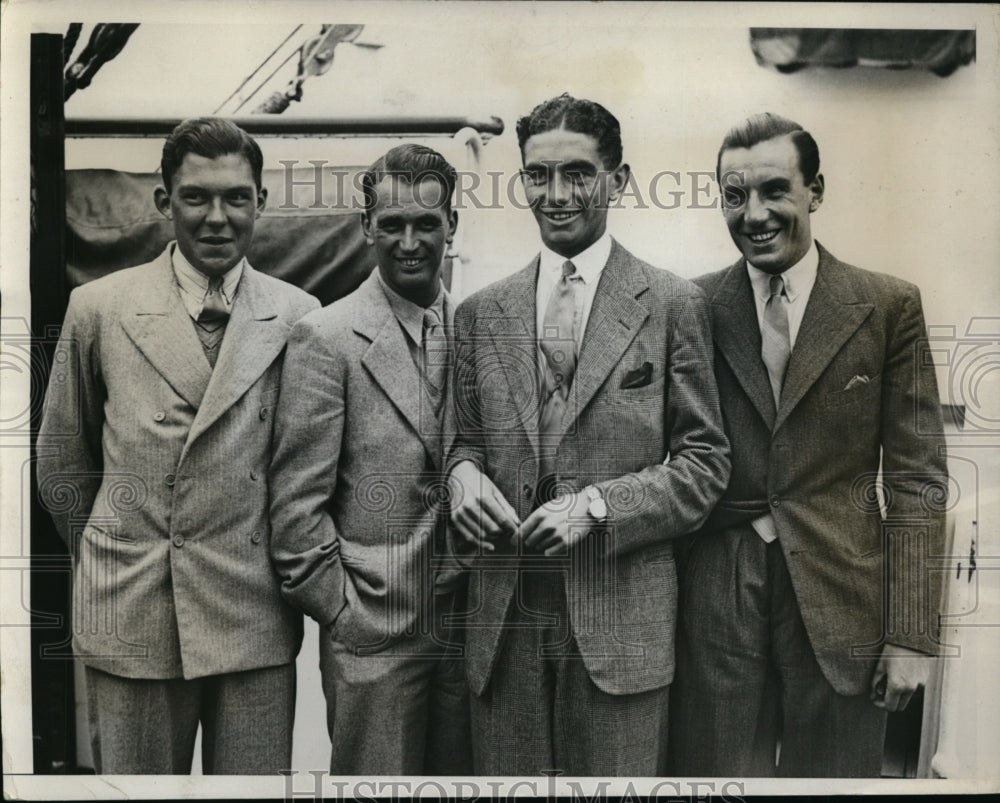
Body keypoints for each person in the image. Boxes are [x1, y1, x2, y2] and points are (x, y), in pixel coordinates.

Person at [445, 93, 730, 776]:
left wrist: (597, 507)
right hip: (504, 629)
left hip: (622, 629)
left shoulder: (671, 303)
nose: (557, 193)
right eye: (538, 176)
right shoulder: (480, 312)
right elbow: (465, 444)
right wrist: (460, 477)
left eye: (578, 173)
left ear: (618, 179)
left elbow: (704, 465)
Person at [36, 117, 319, 774]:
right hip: (133, 613)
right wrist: (121, 552)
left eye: (235, 197)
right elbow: (61, 465)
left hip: (252, 615)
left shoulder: (301, 315)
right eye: (195, 197)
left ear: (260, 202)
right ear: (164, 202)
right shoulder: (98, 308)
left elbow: (309, 470)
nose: (216, 217)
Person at [671, 112, 948, 777]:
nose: (753, 213)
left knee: (835, 786)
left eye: (774, 191)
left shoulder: (887, 307)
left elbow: (917, 480)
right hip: (718, 598)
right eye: (734, 196)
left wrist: (909, 636)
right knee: (716, 781)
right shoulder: (689, 305)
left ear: (815, 191)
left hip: (842, 595)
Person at [269, 144, 472, 775]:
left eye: (426, 225)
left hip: (469, 632)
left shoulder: (476, 328)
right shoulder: (325, 338)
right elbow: (295, 509)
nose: (409, 242)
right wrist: (346, 616)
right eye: (392, 225)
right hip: (373, 640)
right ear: (366, 228)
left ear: (453, 226)